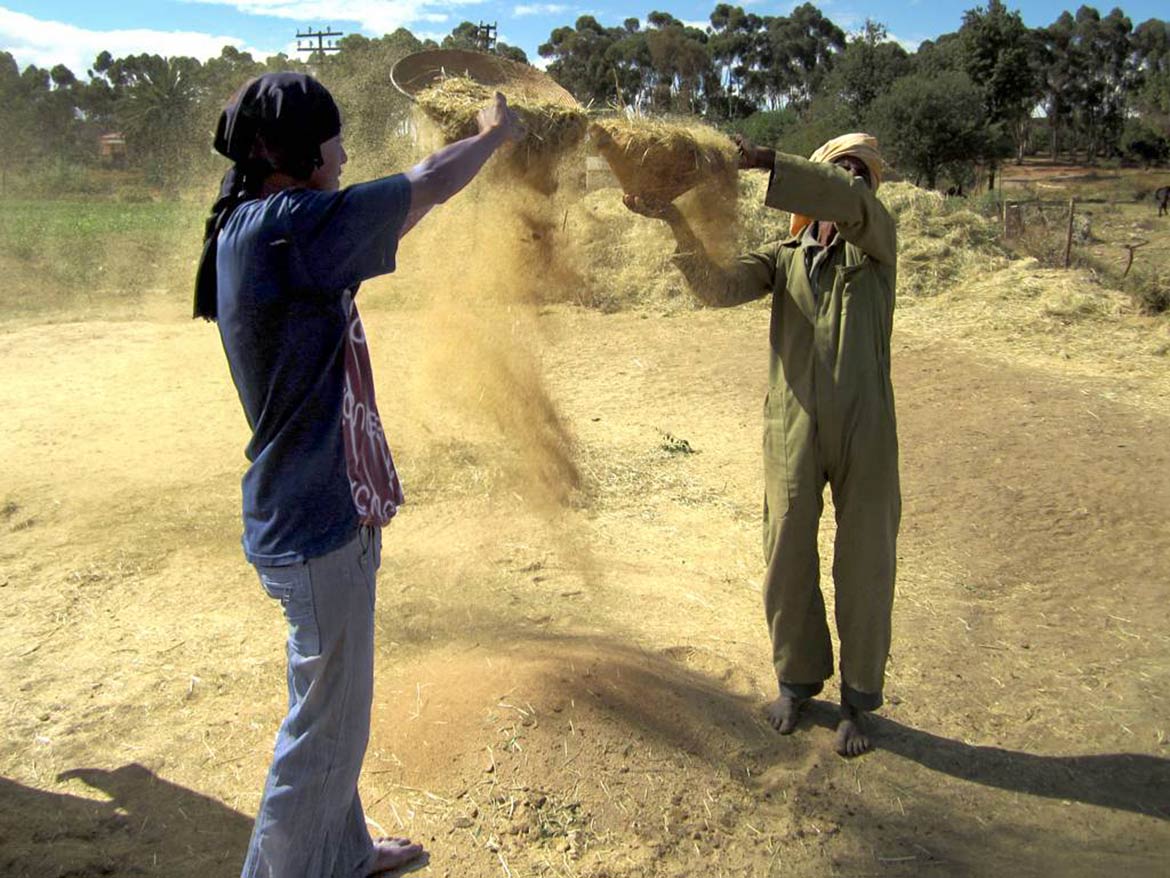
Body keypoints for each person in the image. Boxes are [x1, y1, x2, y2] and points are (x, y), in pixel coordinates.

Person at [193, 72, 522, 876]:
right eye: (332, 140)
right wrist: (492, 135)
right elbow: (420, 189)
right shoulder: (283, 228)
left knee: (332, 711)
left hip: (308, 513)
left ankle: (341, 851)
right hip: (312, 525)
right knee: (324, 731)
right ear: (289, 150)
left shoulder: (253, 225)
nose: (343, 155)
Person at [625, 134, 900, 758]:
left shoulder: (877, 244)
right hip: (792, 423)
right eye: (841, 166)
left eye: (861, 172)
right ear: (819, 178)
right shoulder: (784, 256)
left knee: (865, 563)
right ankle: (796, 682)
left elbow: (851, 202)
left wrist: (765, 161)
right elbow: (719, 289)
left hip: (867, 428)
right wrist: (676, 221)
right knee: (786, 554)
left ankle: (859, 701)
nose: (851, 178)